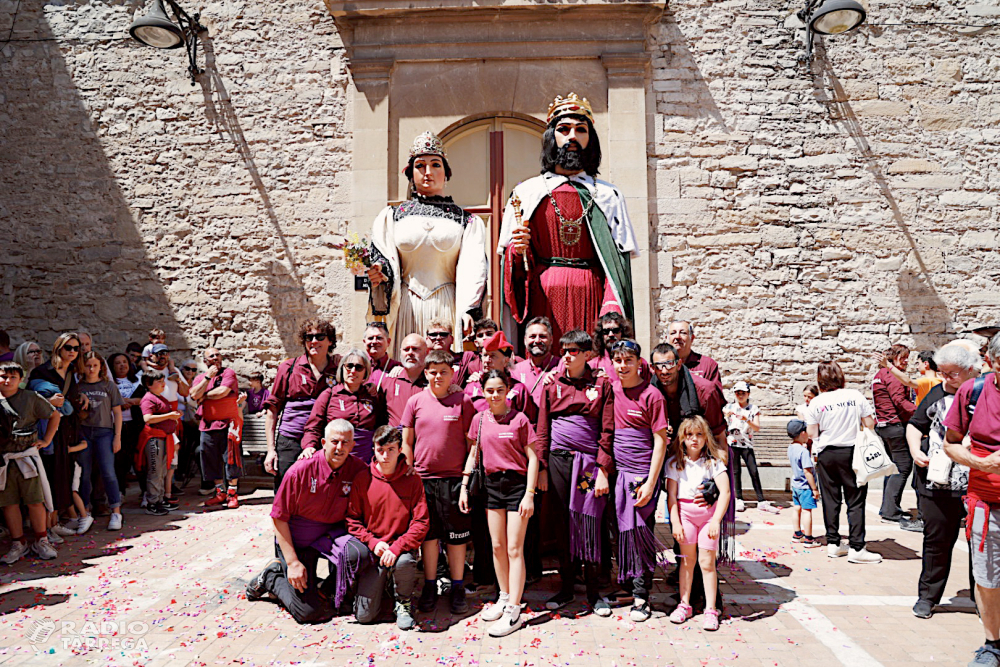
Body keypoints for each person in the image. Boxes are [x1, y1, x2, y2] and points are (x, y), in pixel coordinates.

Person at [499, 93, 638, 350]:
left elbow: (617, 266)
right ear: (552, 137)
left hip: (592, 293)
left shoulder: (608, 195)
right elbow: (512, 267)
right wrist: (517, 251)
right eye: (564, 129)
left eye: (580, 130)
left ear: (590, 139)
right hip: (543, 295)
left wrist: (611, 305)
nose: (572, 136)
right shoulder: (526, 194)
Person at [366, 131, 488, 355]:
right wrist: (379, 276)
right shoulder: (392, 217)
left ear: (446, 173)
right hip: (405, 305)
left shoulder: (467, 221)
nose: (428, 172)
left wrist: (469, 310)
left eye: (435, 165)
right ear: (411, 174)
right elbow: (384, 263)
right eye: (420, 166)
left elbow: (475, 270)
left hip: (447, 304)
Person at [245, 419, 369, 624]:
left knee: (360, 553)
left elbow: (383, 480)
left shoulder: (357, 468)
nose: (339, 447)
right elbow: (278, 518)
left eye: (345, 442)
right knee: (307, 613)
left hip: (329, 536)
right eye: (334, 441)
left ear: (353, 445)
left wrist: (405, 470)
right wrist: (293, 562)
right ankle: (271, 577)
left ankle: (324, 589)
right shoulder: (300, 471)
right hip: (298, 541)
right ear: (323, 442)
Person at [534, 329, 615, 614]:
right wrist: (542, 468)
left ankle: (594, 593)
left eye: (573, 351)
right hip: (558, 463)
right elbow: (542, 428)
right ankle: (566, 587)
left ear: (587, 354)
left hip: (588, 466)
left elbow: (607, 430)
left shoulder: (601, 384)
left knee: (589, 523)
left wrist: (603, 468)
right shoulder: (551, 383)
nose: (566, 356)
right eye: (564, 350)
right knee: (562, 524)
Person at [459, 369, 538, 637]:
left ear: (509, 391)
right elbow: (473, 452)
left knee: (515, 548)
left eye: (500, 390)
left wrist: (529, 493)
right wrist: (464, 486)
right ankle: (504, 597)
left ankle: (515, 610)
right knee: (497, 546)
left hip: (516, 486)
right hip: (491, 486)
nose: (495, 395)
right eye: (490, 390)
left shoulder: (520, 419)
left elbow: (534, 458)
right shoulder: (479, 420)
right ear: (483, 392)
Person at [400, 349, 476, 614]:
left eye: (444, 371)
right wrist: (410, 473)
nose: (438, 376)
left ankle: (457, 586)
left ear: (452, 373)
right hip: (423, 481)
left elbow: (471, 445)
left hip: (455, 481)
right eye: (433, 372)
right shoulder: (415, 402)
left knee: (456, 538)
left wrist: (466, 480)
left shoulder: (463, 401)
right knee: (429, 538)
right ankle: (430, 585)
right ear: (426, 373)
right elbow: (407, 443)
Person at [908, 343, 980, 619]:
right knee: (936, 541)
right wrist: (916, 450)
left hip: (976, 481)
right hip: (937, 482)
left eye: (952, 374)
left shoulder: (985, 395)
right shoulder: (937, 394)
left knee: (981, 546)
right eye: (942, 372)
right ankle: (928, 596)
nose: (945, 379)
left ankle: (982, 599)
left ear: (971, 370)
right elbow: (916, 425)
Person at [942, 334, 1000, 667]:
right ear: (990, 363)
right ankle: (993, 644)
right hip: (986, 502)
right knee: (988, 578)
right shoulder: (972, 391)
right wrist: (982, 463)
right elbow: (951, 443)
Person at [608, 339, 668, 622]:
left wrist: (651, 482)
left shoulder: (652, 395)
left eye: (627, 361)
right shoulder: (612, 389)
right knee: (621, 532)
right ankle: (628, 587)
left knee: (641, 534)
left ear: (638, 363)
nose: (622, 366)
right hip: (617, 473)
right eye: (617, 361)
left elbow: (660, 441)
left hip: (642, 475)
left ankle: (643, 595)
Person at [346, 426, 429, 630]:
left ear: (401, 449)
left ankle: (403, 601)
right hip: (375, 550)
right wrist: (373, 543)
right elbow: (352, 520)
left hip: (400, 550)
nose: (385, 455)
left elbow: (421, 522)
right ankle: (383, 589)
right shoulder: (362, 479)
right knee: (364, 616)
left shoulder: (412, 479)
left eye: (391, 449)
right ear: (373, 449)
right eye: (380, 449)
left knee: (404, 563)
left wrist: (397, 547)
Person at [804, 361, 881, 564]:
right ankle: (857, 546)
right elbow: (870, 423)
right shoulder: (855, 396)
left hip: (827, 453)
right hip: (852, 451)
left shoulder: (816, 402)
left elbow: (812, 433)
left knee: (831, 499)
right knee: (855, 500)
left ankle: (833, 543)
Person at [666, 416, 730, 631]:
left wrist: (715, 520)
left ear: (706, 438)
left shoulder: (713, 463)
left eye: (699, 434)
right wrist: (675, 522)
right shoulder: (674, 464)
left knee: (707, 563)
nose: (694, 439)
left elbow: (725, 492)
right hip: (686, 517)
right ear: (682, 438)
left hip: (707, 518)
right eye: (689, 435)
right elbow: (671, 497)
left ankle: (710, 609)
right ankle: (685, 604)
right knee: (686, 562)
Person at [263, 320, 341, 491]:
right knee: (286, 493)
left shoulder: (340, 368)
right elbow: (273, 410)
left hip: (324, 442)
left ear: (330, 341)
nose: (313, 341)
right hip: (290, 440)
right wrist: (270, 450)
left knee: (322, 493)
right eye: (308, 337)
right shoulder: (289, 368)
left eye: (320, 336)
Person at [0, 362, 61, 563]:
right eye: (3, 376)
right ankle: (18, 542)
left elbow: (54, 415)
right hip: (4, 460)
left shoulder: (30, 398)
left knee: (35, 501)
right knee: (9, 503)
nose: (7, 381)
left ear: (21, 379)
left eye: (13, 377)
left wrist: (47, 440)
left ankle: (41, 539)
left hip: (26, 457)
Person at [29, 334, 85, 536]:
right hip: (47, 433)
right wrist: (49, 402)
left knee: (62, 477)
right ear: (58, 348)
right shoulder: (42, 372)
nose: (72, 351)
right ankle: (44, 530)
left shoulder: (72, 372)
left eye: (76, 348)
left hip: (66, 433)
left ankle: (53, 524)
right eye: (68, 347)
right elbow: (30, 401)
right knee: (47, 478)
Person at [302, 351, 387, 464]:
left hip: (365, 460)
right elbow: (313, 426)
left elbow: (380, 427)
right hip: (335, 458)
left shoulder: (371, 397)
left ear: (365, 372)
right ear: (342, 369)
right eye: (349, 366)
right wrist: (309, 446)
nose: (353, 371)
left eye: (359, 367)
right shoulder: (329, 394)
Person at [75, 352, 125, 530]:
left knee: (108, 472)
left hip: (105, 431)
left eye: (95, 365)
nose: (91, 369)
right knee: (84, 473)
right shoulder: (78, 386)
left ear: (101, 367)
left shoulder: (108, 385)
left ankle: (116, 511)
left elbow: (117, 412)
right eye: (88, 365)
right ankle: (85, 512)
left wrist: (117, 436)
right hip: (84, 431)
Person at [190, 348, 243, 510]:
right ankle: (220, 492)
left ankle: (232, 494)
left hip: (228, 424)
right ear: (206, 362)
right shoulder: (200, 377)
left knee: (231, 458)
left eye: (217, 355)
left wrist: (203, 395)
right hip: (207, 424)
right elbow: (193, 394)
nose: (215, 358)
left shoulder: (229, 373)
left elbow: (222, 392)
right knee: (210, 458)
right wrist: (207, 378)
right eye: (211, 356)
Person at [873, 344, 918, 527]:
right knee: (903, 467)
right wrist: (921, 413)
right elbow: (900, 401)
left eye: (908, 357)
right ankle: (890, 512)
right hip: (895, 426)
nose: (907, 361)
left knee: (893, 468)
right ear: (892, 358)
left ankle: (888, 508)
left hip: (884, 426)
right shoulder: (893, 376)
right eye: (903, 357)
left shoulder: (879, 375)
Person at [137, 370, 182, 516]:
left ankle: (160, 499)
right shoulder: (148, 399)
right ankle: (153, 502)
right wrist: (169, 415)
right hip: (154, 438)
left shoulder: (159, 397)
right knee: (155, 471)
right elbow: (147, 418)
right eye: (159, 382)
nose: (163, 384)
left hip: (163, 438)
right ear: (149, 385)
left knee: (162, 470)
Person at [724, 381, 769, 513]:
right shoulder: (729, 407)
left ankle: (761, 499)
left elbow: (757, 427)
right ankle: (739, 498)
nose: (740, 395)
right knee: (735, 471)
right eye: (738, 393)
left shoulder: (753, 409)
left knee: (753, 471)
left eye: (743, 393)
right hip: (732, 442)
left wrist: (747, 420)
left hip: (746, 444)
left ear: (748, 393)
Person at [109, 353, 142, 497]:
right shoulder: (109, 383)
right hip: (116, 427)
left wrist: (130, 401)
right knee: (119, 462)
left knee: (139, 460)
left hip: (135, 425)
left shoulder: (138, 381)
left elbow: (146, 398)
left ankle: (146, 493)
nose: (122, 365)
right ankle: (120, 492)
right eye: (118, 363)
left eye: (124, 362)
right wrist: (119, 403)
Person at [381, 334, 430, 427]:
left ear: (427, 352)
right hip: (395, 439)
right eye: (406, 349)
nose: (410, 353)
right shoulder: (389, 381)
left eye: (415, 349)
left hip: (424, 439)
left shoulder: (434, 381)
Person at [786, 419, 822, 547]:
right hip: (805, 486)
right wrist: (814, 488)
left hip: (796, 485)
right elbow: (807, 471)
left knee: (797, 509)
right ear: (802, 433)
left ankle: (797, 534)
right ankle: (808, 538)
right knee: (807, 511)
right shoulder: (803, 452)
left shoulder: (791, 448)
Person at [511, 317, 559, 406]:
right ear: (525, 340)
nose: (537, 341)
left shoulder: (562, 367)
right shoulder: (515, 371)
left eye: (542, 336)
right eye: (532, 336)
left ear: (551, 340)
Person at [667, 321, 721, 386]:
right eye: (673, 333)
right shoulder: (660, 365)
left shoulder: (708, 365)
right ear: (667, 338)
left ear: (692, 338)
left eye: (683, 333)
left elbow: (715, 394)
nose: (677, 337)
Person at [590, 313, 631, 379]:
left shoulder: (637, 364)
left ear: (623, 332)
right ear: (601, 335)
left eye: (615, 330)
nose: (611, 334)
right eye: (606, 331)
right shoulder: (592, 366)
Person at [363, 322, 400, 390]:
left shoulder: (397, 368)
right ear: (364, 342)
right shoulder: (356, 365)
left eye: (379, 338)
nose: (374, 341)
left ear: (388, 342)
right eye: (370, 338)